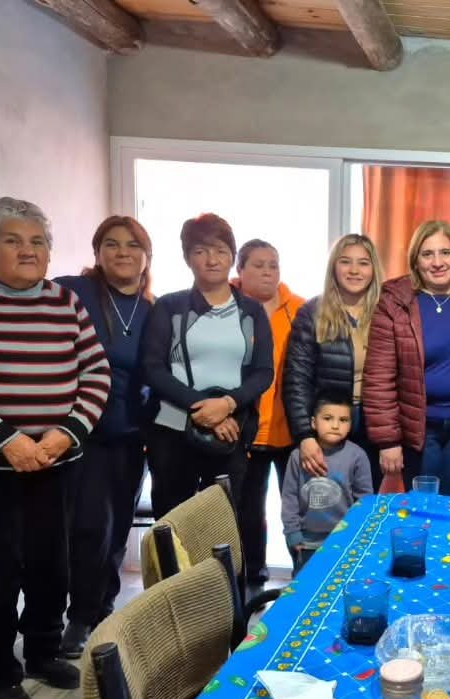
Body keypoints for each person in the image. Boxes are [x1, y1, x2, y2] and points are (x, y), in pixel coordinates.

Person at [0, 198, 110, 699]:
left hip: (55, 461)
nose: (28, 250)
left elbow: (96, 374)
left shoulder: (66, 302)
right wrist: (5, 440)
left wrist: (65, 434)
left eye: (38, 241)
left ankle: (42, 652)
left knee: (50, 566)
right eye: (14, 240)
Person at [56, 216, 155, 658]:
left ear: (146, 256)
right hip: (83, 433)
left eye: (133, 245)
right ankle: (79, 617)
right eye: (111, 244)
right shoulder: (73, 293)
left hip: (133, 435)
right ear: (97, 253)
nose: (122, 252)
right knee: (90, 526)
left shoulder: (154, 311)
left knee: (117, 530)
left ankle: (102, 609)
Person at [141, 213, 273, 518]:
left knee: (221, 526)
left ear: (232, 257)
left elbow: (263, 372)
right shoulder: (169, 307)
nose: (212, 260)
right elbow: (153, 368)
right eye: (200, 251)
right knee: (172, 525)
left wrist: (226, 405)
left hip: (230, 431)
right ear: (187, 258)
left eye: (221, 251)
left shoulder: (251, 311)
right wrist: (205, 410)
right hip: (172, 431)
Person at [363, 221, 450, 495]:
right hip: (418, 433)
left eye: (445, 252)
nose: (437, 262)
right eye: (427, 254)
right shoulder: (395, 302)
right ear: (415, 260)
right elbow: (378, 377)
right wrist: (388, 441)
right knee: (421, 509)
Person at [284, 234, 383, 495]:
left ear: (374, 269)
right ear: (333, 267)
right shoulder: (312, 312)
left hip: (375, 423)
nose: (354, 270)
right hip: (329, 423)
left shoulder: (386, 312)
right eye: (345, 262)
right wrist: (305, 435)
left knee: (368, 499)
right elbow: (297, 379)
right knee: (327, 500)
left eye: (363, 263)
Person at [233, 239, 306, 591]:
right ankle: (253, 579)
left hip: (290, 431)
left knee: (298, 509)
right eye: (258, 265)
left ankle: (303, 577)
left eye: (273, 265)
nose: (267, 272)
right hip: (244, 431)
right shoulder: (226, 307)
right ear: (240, 270)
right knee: (248, 511)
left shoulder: (300, 309)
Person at [281, 390, 372, 575]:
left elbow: (365, 500)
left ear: (351, 424)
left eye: (343, 420)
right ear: (314, 422)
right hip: (306, 542)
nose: (335, 425)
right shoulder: (297, 456)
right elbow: (289, 498)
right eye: (328, 418)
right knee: (306, 585)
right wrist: (292, 532)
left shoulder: (357, 456)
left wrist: (358, 533)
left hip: (344, 540)